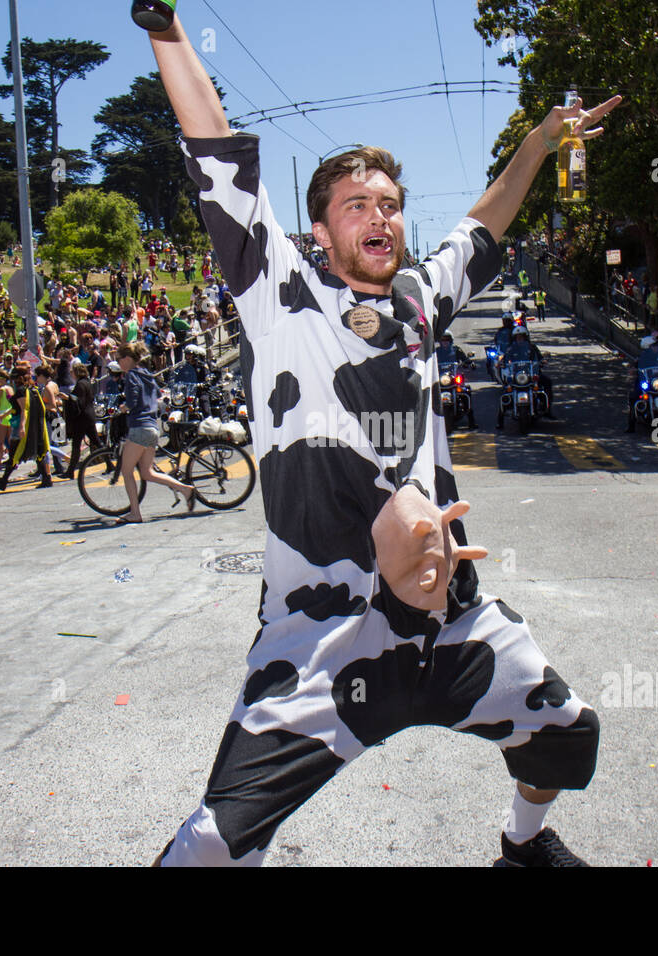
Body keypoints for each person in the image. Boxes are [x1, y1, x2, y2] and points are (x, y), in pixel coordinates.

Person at [146, 15, 617, 868]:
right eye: (356, 205)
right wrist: (165, 26)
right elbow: (213, 146)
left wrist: (544, 142)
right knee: (215, 844)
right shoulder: (276, 293)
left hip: (448, 614)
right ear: (320, 231)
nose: (380, 218)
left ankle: (525, 846)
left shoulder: (417, 303)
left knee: (564, 729)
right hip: (319, 633)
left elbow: (485, 220)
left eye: (391, 206)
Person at [112, 342, 195, 524]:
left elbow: (133, 400)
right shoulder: (146, 374)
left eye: (118, 359)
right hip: (152, 427)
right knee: (147, 473)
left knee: (126, 472)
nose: (118, 363)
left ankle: (135, 512)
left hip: (139, 426)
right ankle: (185, 489)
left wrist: (124, 407)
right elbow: (157, 393)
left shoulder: (131, 376)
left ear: (127, 359)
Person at [0, 363, 53, 491]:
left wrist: (22, 427)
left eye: (15, 377)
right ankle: (46, 478)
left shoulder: (23, 390)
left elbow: (24, 409)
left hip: (22, 426)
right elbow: (18, 407)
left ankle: (3, 481)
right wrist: (5, 414)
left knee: (15, 454)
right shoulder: (31, 389)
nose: (14, 380)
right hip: (32, 426)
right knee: (38, 452)